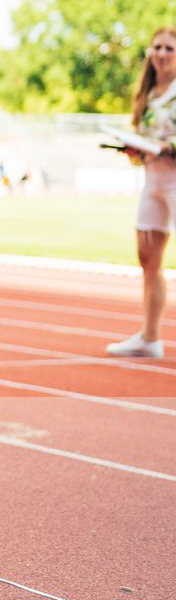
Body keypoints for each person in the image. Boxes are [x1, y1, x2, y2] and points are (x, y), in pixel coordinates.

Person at [107, 27, 176, 360]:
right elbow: (144, 138)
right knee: (147, 256)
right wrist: (133, 149)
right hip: (153, 180)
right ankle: (150, 337)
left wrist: (166, 147)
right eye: (157, 47)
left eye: (169, 48)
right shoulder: (148, 93)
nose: (162, 53)